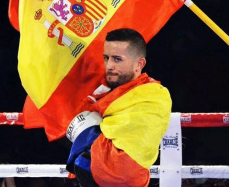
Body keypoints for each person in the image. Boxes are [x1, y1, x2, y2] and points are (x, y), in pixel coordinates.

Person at [66, 28, 172, 187]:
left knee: (86, 123)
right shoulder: (103, 92)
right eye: (106, 58)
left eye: (117, 59)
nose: (109, 65)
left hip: (126, 175)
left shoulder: (154, 94)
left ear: (139, 64)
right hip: (93, 172)